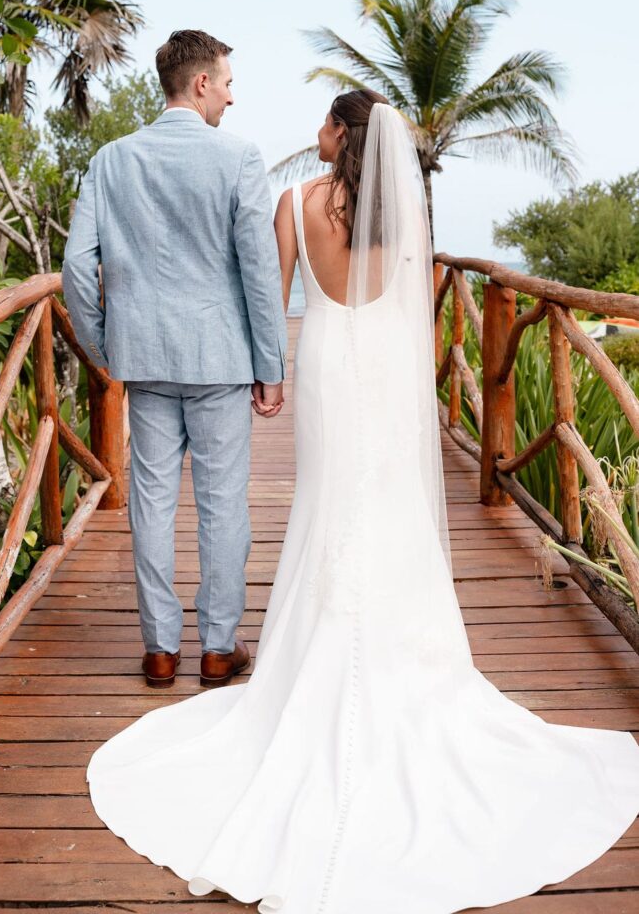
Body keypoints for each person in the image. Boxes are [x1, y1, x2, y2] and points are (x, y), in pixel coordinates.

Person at [85, 91, 639, 914]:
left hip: (329, 363)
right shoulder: (399, 215)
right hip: (384, 363)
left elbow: (267, 298)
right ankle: (407, 657)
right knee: (390, 505)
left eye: (322, 122)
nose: (311, 133)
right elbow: (414, 305)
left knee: (328, 504)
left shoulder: (295, 203)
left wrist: (266, 377)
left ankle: (314, 654)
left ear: (342, 134)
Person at [62, 29, 287, 690]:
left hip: (145, 359)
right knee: (224, 507)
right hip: (219, 359)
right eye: (226, 83)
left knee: (152, 505)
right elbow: (258, 268)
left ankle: (160, 649)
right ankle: (218, 649)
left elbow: (78, 268)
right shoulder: (239, 158)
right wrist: (271, 367)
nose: (230, 97)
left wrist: (109, 345)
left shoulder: (110, 160)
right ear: (199, 85)